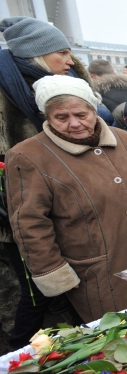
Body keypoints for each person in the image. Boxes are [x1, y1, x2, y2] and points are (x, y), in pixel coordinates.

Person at [5, 76, 127, 325]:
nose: (74, 124)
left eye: (81, 114)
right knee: (116, 342)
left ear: (93, 109)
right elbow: (29, 223)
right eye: (61, 118)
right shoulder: (28, 155)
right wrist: (55, 274)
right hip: (94, 274)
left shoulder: (123, 140)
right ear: (47, 117)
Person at [0, 17, 107, 345]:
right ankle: (15, 363)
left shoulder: (68, 84)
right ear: (37, 55)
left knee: (69, 289)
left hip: (72, 209)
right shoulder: (9, 94)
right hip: (18, 211)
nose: (70, 60)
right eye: (61, 52)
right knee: (35, 293)